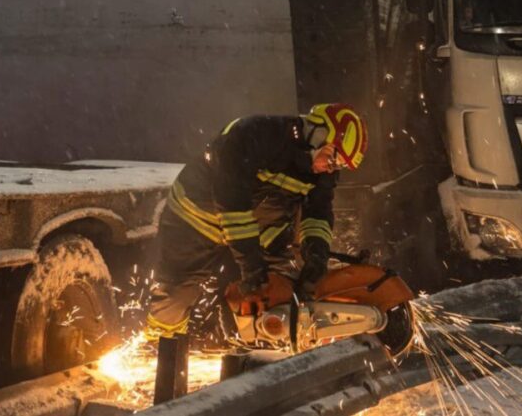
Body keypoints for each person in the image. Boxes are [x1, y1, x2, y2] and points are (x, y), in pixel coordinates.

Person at [145, 103, 367, 340]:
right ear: (317, 134)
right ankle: (160, 344)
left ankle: (254, 339)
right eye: (333, 158)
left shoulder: (323, 171)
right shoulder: (253, 135)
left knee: (278, 287)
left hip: (257, 230)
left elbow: (318, 213)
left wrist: (316, 255)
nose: (330, 168)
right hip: (195, 218)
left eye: (339, 165)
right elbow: (233, 207)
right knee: (176, 295)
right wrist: (251, 265)